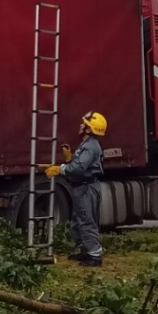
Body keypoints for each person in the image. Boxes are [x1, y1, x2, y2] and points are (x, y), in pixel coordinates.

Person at [46, 111, 106, 266]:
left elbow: (79, 169)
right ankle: (86, 251)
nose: (80, 125)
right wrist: (70, 158)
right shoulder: (87, 144)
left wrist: (61, 169)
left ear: (88, 129)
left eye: (84, 124)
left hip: (86, 189)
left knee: (86, 221)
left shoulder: (91, 147)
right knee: (78, 221)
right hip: (81, 189)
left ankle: (95, 256)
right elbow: (80, 164)